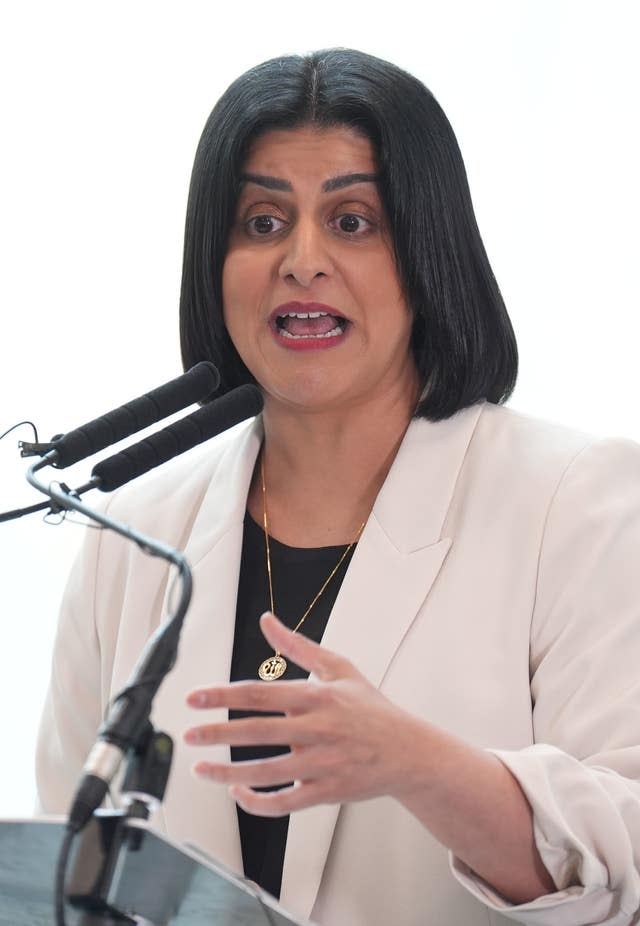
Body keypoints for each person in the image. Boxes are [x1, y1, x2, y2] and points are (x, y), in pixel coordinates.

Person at [36, 49, 640, 926]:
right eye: (262, 221)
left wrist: (415, 763)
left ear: (428, 252)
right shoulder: (132, 535)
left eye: (353, 221)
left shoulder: (579, 502)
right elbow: (66, 865)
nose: (302, 259)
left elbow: (627, 853)